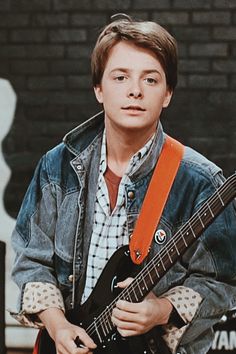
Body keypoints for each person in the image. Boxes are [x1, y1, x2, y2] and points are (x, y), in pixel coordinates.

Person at [11, 14, 236, 354]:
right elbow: (32, 262)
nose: (134, 90)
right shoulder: (57, 167)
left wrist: (161, 310)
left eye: (150, 79)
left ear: (168, 94)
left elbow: (223, 282)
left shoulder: (202, 181)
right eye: (120, 77)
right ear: (98, 89)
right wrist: (58, 327)